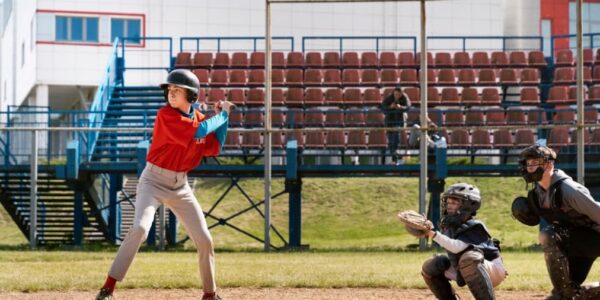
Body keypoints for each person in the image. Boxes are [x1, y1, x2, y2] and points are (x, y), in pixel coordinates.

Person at [95, 69, 234, 300]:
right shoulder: (166, 115)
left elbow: (215, 146)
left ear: (192, 96)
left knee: (204, 239)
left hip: (181, 186)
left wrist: (224, 119)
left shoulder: (200, 118)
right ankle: (108, 288)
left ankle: (210, 294)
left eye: (177, 91)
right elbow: (199, 131)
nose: (171, 94)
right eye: (170, 90)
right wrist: (222, 115)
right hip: (153, 181)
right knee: (139, 228)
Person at [512, 144, 600, 299]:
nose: (531, 167)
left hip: (594, 238)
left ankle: (566, 293)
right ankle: (572, 294)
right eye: (528, 163)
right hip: (576, 246)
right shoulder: (536, 195)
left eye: (535, 162)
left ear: (549, 164)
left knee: (549, 234)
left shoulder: (568, 189)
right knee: (559, 298)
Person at [421, 183, 507, 300]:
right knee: (431, 266)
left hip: (492, 270)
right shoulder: (449, 225)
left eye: (455, 202)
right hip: (465, 268)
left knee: (469, 258)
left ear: (470, 205)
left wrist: (433, 234)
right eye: (448, 202)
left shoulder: (475, 226)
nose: (449, 206)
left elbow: (457, 247)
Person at [381, 86, 411, 165]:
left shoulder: (405, 97)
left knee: (396, 137)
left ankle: (395, 158)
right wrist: (390, 107)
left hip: (399, 121)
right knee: (391, 141)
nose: (396, 96)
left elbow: (408, 107)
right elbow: (383, 106)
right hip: (389, 121)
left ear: (401, 94)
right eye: (395, 94)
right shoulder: (389, 97)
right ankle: (395, 158)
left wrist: (401, 107)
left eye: (398, 94)